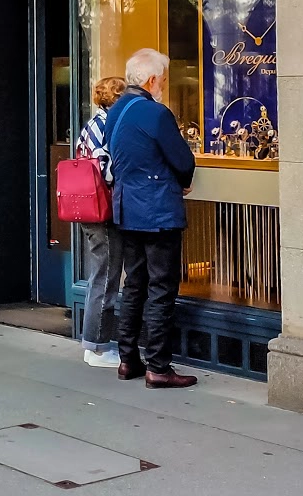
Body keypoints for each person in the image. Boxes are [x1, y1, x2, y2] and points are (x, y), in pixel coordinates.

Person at [104, 47, 197, 389]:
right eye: (163, 79)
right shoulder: (156, 113)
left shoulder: (115, 111)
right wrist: (183, 182)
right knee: (161, 288)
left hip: (127, 210)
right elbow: (183, 161)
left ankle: (128, 359)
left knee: (134, 285)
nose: (163, 85)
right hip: (157, 211)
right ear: (153, 79)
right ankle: (158, 366)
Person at [76, 76, 124, 368]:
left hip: (90, 208)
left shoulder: (93, 124)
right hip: (102, 209)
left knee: (102, 274)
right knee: (105, 277)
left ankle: (94, 343)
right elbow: (105, 171)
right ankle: (97, 347)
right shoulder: (106, 126)